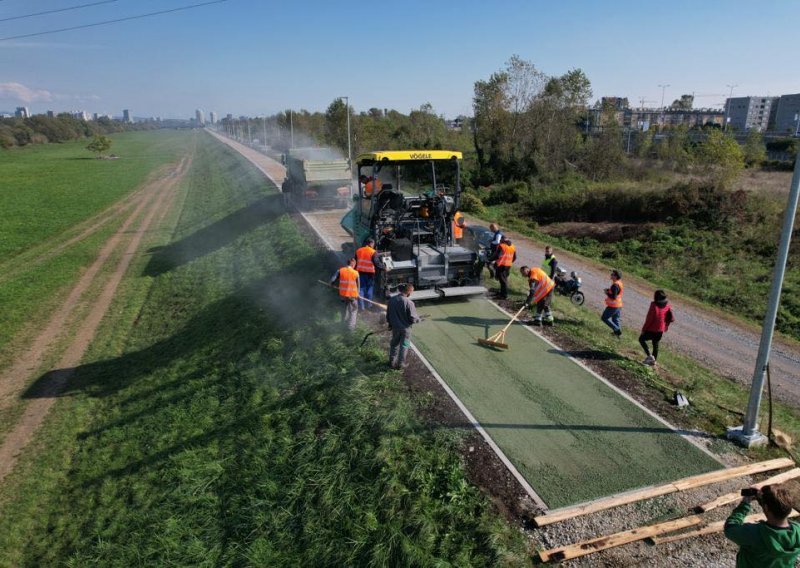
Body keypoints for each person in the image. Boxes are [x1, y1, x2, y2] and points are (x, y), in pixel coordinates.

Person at [724, 483, 800, 568]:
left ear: (766, 508)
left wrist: (745, 503)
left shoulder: (754, 533)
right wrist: (762, 499)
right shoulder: (798, 531)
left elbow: (730, 528)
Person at [386, 283, 421, 369]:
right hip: (406, 329)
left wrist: (390, 324)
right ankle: (400, 364)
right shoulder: (409, 303)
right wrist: (418, 319)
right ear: (409, 292)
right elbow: (413, 318)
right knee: (404, 346)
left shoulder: (392, 300)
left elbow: (388, 314)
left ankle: (391, 362)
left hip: (395, 328)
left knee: (394, 344)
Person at [639, 290, 674, 366]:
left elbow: (649, 319)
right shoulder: (667, 306)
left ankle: (650, 356)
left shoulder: (653, 305)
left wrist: (644, 329)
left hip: (652, 329)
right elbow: (670, 318)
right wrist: (665, 326)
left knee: (641, 339)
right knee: (655, 344)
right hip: (660, 330)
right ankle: (653, 362)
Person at [355, 237, 386, 310]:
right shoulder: (373, 252)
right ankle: (369, 306)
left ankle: (361, 306)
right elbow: (377, 263)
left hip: (360, 272)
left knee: (361, 289)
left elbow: (355, 262)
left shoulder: (358, 250)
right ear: (371, 243)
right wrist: (384, 268)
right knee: (369, 289)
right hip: (369, 274)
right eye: (373, 244)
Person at [329, 257, 360, 331]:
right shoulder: (355, 273)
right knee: (353, 311)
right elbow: (358, 285)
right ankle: (350, 329)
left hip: (343, 295)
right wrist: (357, 294)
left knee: (344, 309)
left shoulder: (340, 270)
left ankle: (343, 325)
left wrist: (332, 285)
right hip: (353, 296)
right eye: (355, 264)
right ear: (353, 264)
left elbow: (332, 280)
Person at [601, 269, 624, 337]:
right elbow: (616, 293)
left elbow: (613, 297)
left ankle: (616, 330)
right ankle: (618, 335)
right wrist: (609, 291)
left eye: (612, 274)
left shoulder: (615, 285)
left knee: (604, 318)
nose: (611, 275)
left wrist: (607, 293)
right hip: (618, 305)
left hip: (613, 306)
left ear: (616, 276)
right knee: (615, 319)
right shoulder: (619, 283)